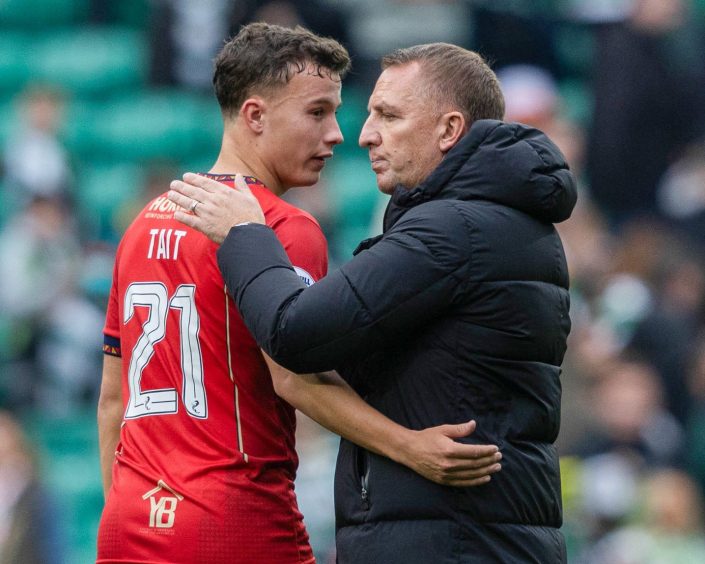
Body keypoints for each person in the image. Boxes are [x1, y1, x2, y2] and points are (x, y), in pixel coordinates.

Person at [97, 24, 501, 564]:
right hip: (233, 514)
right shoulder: (282, 228)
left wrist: (125, 513)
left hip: (129, 521)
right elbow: (296, 379)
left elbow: (113, 400)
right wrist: (412, 448)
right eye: (316, 113)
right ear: (255, 116)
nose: (337, 134)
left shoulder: (141, 225)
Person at [168, 42, 577, 562]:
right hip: (477, 534)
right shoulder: (500, 222)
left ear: (449, 130)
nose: (364, 135)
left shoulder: (453, 230)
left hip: (450, 541)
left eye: (389, 115)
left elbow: (297, 333)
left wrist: (247, 232)